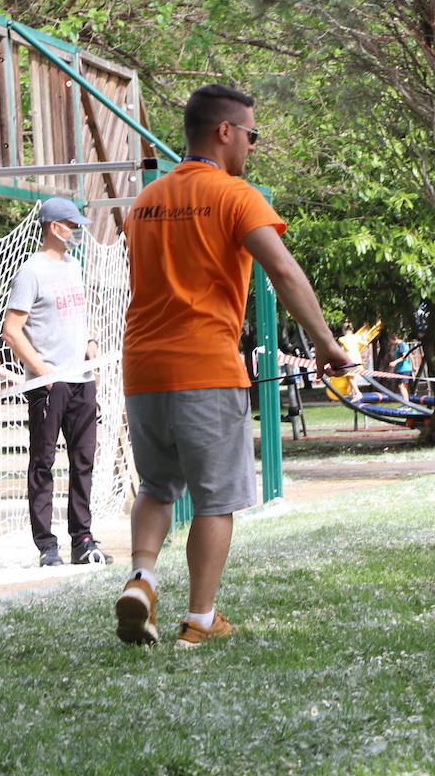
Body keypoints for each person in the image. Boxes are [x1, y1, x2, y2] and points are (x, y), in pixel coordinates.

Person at [115, 83, 355, 648]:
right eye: (252, 135)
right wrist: (324, 343)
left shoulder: (144, 203)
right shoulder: (235, 195)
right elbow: (285, 272)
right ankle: (199, 620)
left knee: (156, 486)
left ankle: (143, 578)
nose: (252, 146)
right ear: (225, 131)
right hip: (206, 368)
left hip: (143, 369)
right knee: (216, 500)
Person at [1, 197, 109, 567]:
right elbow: (11, 332)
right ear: (54, 227)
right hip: (49, 385)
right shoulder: (31, 271)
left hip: (82, 379)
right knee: (43, 463)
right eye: (72, 225)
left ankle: (83, 539)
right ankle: (47, 546)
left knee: (84, 461)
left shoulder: (74, 267)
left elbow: (80, 317)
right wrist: (42, 372)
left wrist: (91, 342)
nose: (76, 232)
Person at [387, 334, 414, 401]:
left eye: (390, 341)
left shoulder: (400, 345)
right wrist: (414, 366)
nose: (391, 342)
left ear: (395, 338)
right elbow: (410, 355)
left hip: (403, 369)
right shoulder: (405, 344)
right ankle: (407, 403)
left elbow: (404, 357)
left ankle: (407, 404)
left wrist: (395, 362)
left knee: (401, 386)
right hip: (405, 368)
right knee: (403, 386)